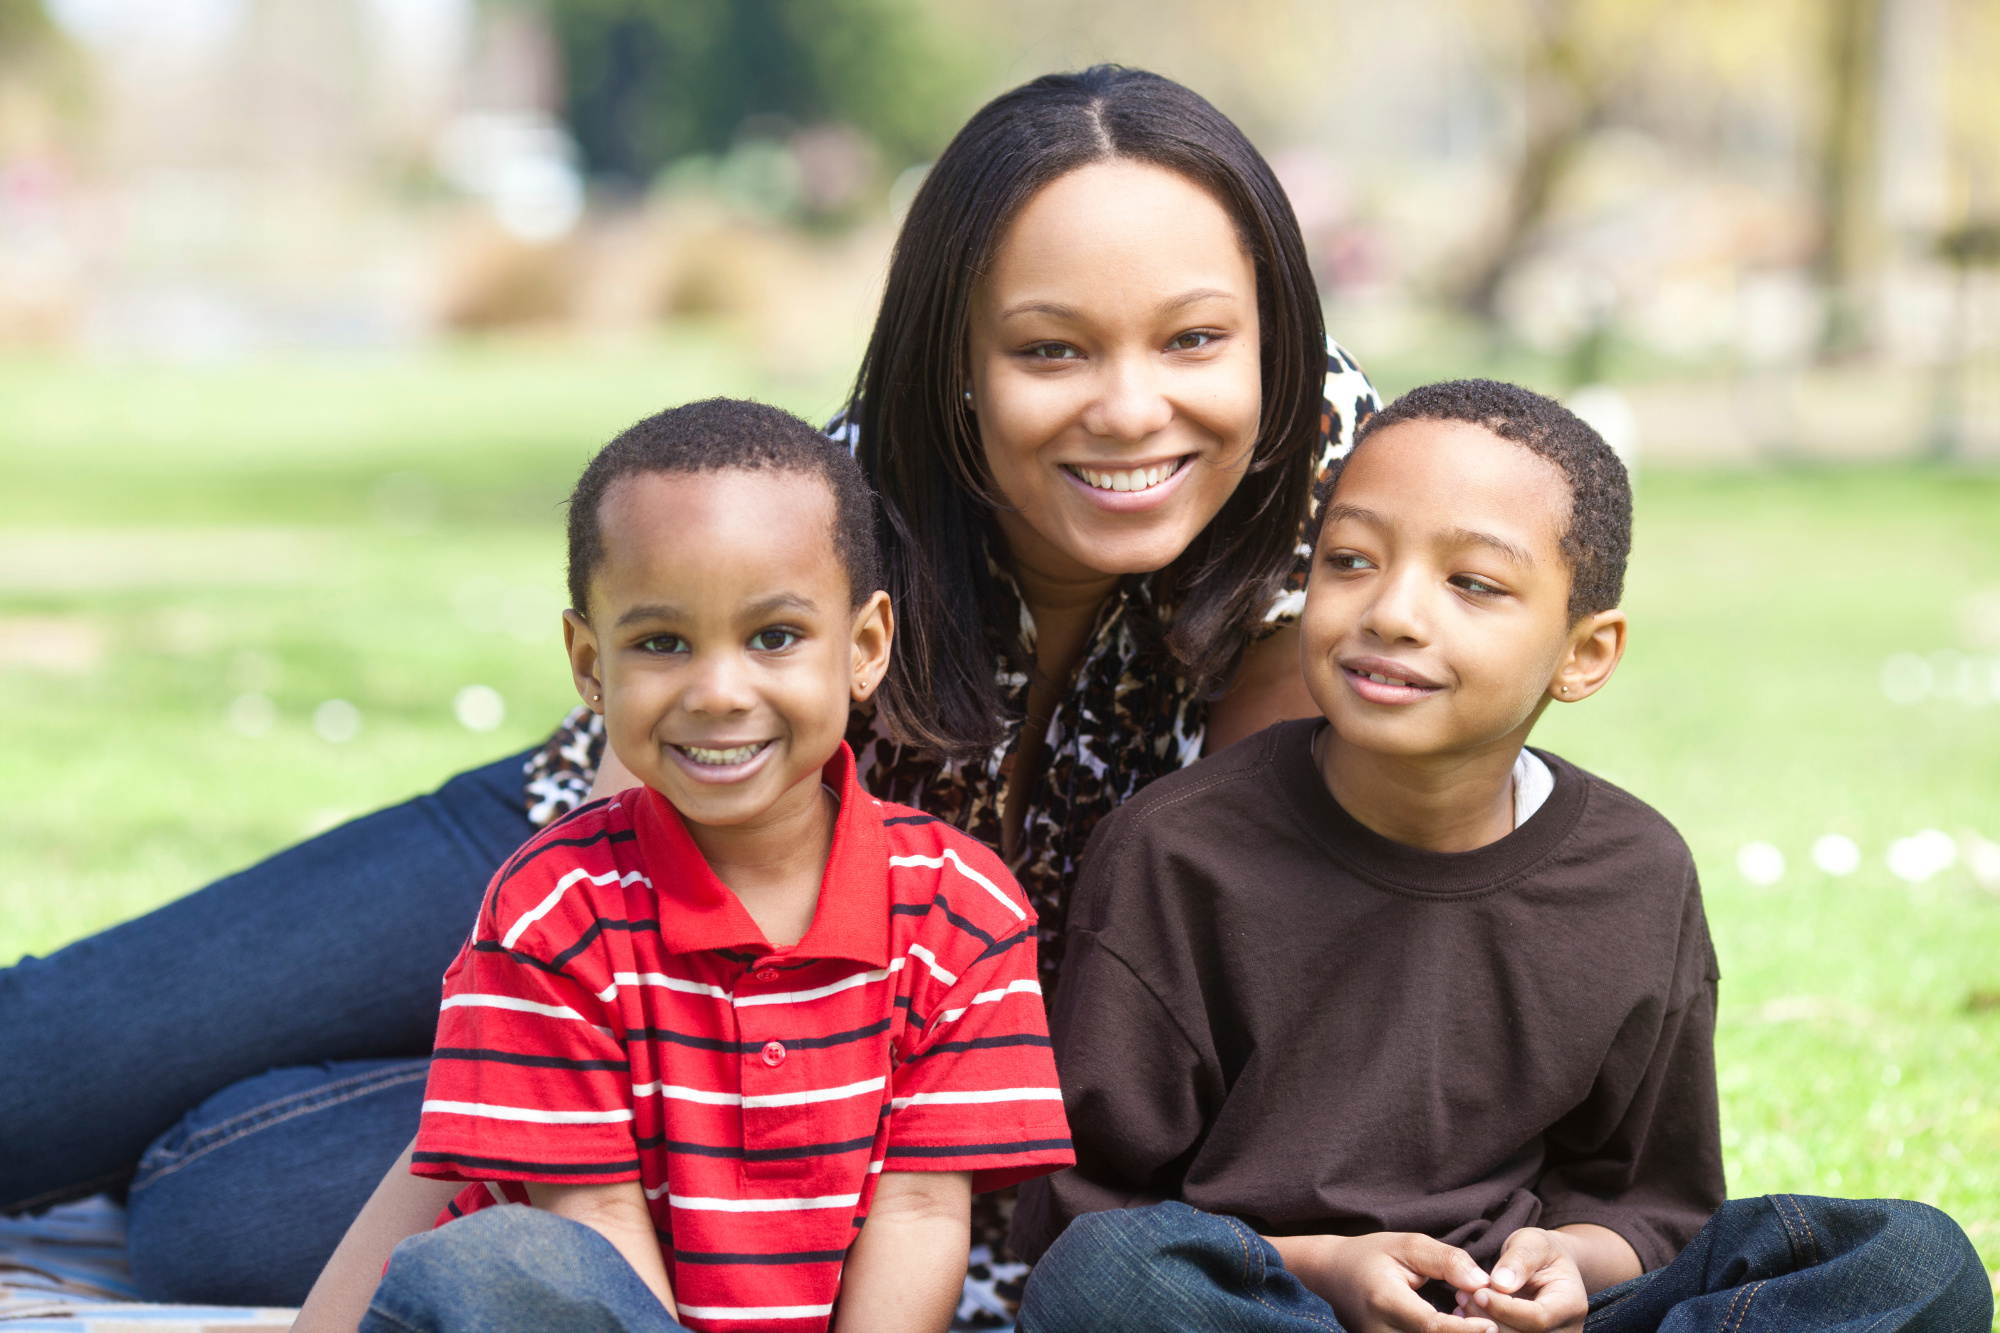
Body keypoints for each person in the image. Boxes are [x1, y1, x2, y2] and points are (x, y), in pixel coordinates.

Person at [0, 66, 1377, 1306]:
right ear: (957, 358)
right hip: (610, 836)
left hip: (831, 1054)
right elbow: (632, 834)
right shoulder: (850, 495)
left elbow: (1240, 908)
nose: (1131, 408)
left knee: (226, 1205)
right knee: (50, 1059)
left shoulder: (1342, 490)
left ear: (1273, 331)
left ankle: (208, 1130)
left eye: (1195, 341)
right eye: (1050, 349)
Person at [1008, 381, 1994, 1333]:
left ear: (1583, 653)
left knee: (1913, 1260)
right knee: (1110, 1282)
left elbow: (1647, 1199)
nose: (1391, 611)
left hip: (1520, 1311)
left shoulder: (1633, 872)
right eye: (1348, 560)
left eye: (1471, 583)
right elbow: (1084, 1221)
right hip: (1276, 1302)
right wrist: (1327, 1268)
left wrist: (1570, 1265)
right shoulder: (1176, 852)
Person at [294, 399, 1072, 1333]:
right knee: (496, 1266)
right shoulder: (552, 909)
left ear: (864, 646)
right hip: (594, 1312)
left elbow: (918, 1211)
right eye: (661, 643)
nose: (718, 692)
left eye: (775, 636)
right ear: (589, 662)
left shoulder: (963, 909)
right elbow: (593, 1221)